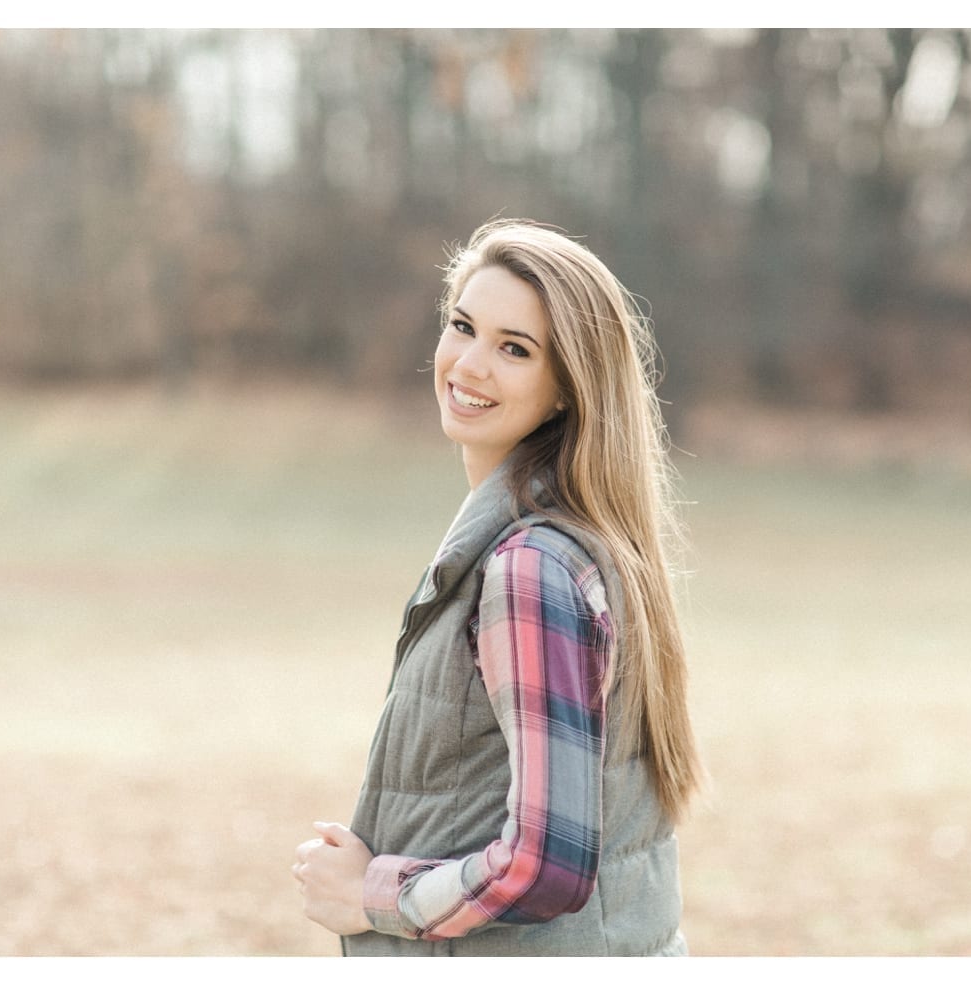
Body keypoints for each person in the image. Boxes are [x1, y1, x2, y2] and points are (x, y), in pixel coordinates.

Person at [291, 218, 701, 956]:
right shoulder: (584, 544)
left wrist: (370, 893)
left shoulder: (528, 570)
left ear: (566, 392)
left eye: (515, 349)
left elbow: (547, 864)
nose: (470, 364)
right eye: (463, 326)